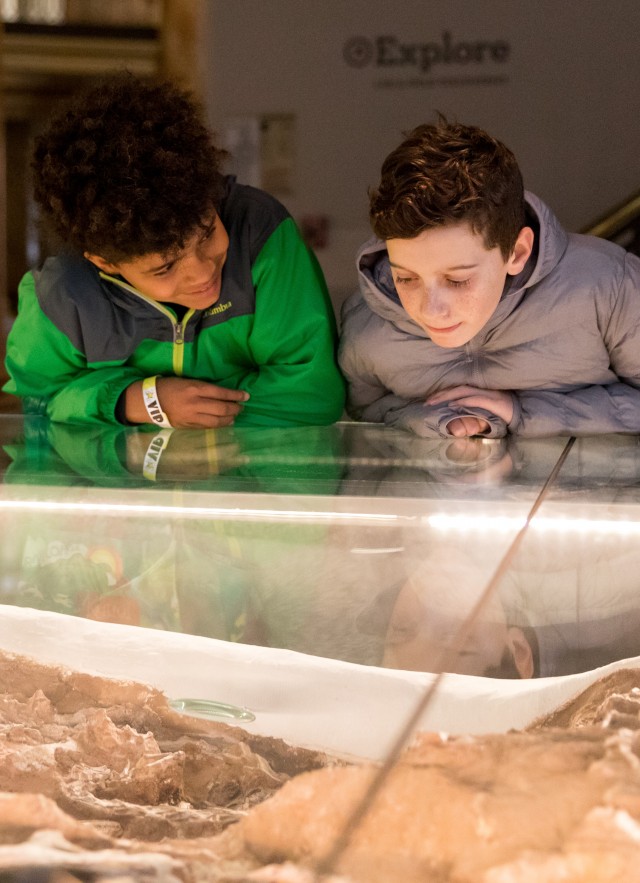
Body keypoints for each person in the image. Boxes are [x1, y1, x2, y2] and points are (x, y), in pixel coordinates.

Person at [3, 72, 345, 428]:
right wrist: (131, 401)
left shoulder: (260, 232)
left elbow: (314, 395)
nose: (202, 272)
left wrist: (173, 408)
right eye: (164, 268)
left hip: (250, 479)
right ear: (105, 262)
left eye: (207, 233)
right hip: (123, 482)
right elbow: (38, 407)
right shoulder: (61, 297)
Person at [339, 117, 640, 438]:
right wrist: (437, 420)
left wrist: (522, 411)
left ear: (517, 252)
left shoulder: (612, 288)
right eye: (406, 279)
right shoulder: (365, 324)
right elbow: (364, 414)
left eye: (457, 280)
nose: (431, 309)